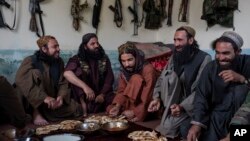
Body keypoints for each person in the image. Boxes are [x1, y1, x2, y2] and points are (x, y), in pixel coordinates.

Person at [147, 26, 212, 139]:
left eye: (180, 40)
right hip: (173, 101)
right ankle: (169, 116)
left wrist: (182, 106)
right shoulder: (174, 56)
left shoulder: (204, 58)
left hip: (190, 104)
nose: (176, 44)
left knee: (166, 130)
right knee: (168, 75)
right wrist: (156, 98)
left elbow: (201, 90)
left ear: (190, 40)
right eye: (175, 40)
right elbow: (162, 78)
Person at [187, 31, 250, 141]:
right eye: (217, 53)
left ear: (238, 52)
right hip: (217, 116)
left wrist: (242, 79)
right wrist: (197, 124)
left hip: (244, 117)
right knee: (187, 128)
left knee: (241, 90)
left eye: (226, 53)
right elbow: (201, 96)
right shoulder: (211, 68)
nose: (220, 58)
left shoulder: (248, 63)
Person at [15, 35, 82, 126]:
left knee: (76, 109)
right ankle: (36, 112)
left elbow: (63, 82)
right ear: (44, 49)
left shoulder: (59, 61)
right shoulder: (30, 60)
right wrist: (44, 98)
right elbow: (20, 80)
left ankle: (47, 113)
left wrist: (60, 97)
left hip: (51, 100)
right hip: (34, 99)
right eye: (55, 47)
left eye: (58, 46)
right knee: (34, 73)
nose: (58, 49)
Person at [64, 33, 114, 117]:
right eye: (92, 44)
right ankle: (84, 106)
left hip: (101, 94)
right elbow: (67, 73)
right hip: (85, 95)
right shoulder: (77, 59)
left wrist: (102, 94)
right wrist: (85, 87)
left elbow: (109, 79)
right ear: (85, 46)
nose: (96, 46)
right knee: (77, 73)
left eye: (97, 43)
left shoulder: (104, 58)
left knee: (115, 99)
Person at [107, 43, 158, 122]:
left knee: (135, 78)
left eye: (130, 60)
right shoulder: (124, 71)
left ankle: (135, 113)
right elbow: (121, 90)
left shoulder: (148, 70)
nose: (126, 64)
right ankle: (127, 111)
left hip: (147, 104)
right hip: (132, 102)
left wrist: (135, 112)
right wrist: (117, 106)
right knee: (110, 108)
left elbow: (148, 94)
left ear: (136, 58)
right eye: (123, 61)